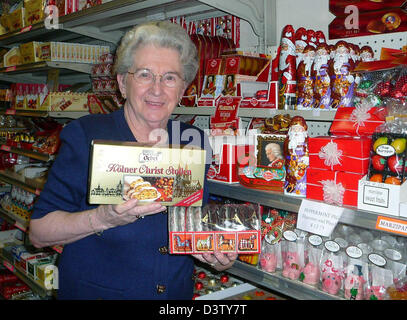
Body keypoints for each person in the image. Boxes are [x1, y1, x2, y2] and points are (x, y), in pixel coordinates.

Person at [29, 21, 237, 300]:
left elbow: (194, 224)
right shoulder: (87, 135)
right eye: (144, 75)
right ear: (122, 84)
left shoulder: (192, 139)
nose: (157, 89)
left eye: (170, 77)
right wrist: (103, 218)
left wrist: (216, 253)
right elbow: (39, 232)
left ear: (183, 88)